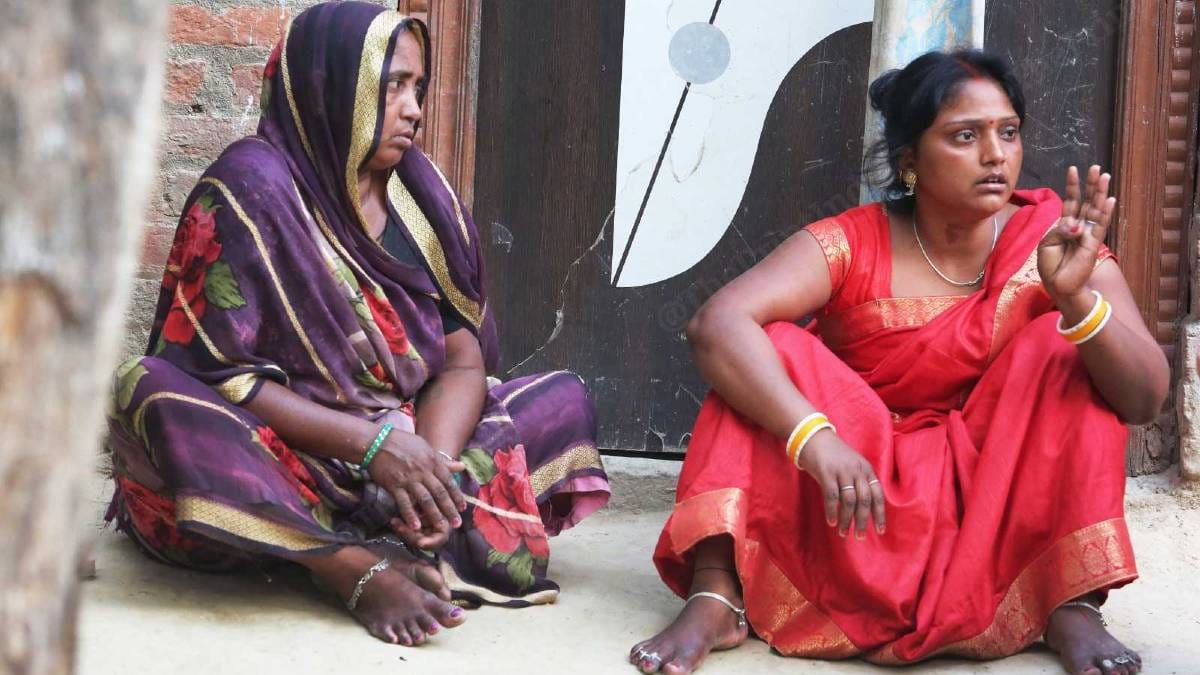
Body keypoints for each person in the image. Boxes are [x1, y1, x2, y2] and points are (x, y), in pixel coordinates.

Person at [630, 50, 1164, 675]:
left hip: (995, 494)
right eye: (966, 136)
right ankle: (716, 593)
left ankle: (1067, 600)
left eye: (1008, 132)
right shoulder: (852, 240)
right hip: (861, 493)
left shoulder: (1050, 240)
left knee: (1063, 342)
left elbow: (1145, 398)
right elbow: (714, 324)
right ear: (910, 161)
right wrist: (815, 437)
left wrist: (1076, 299)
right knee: (766, 349)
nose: (996, 155)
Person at [105, 1, 608, 646]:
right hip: (289, 456)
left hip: (405, 451)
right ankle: (343, 567)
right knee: (145, 390)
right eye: (393, 85)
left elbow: (462, 360)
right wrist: (369, 448)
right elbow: (221, 376)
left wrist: (430, 468)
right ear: (330, 84)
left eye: (419, 88)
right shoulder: (251, 188)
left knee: (561, 399)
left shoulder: (422, 196)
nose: (414, 108)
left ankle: (391, 531)